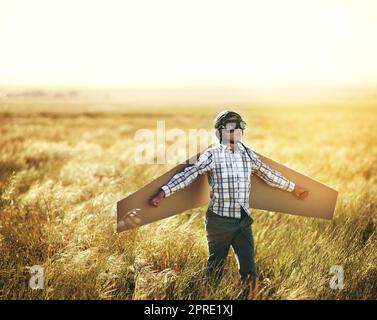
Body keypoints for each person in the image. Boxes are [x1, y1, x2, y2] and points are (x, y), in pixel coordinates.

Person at [149, 110, 309, 298]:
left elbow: (268, 174)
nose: (238, 130)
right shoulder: (212, 155)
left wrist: (293, 188)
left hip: (243, 221)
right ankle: (209, 299)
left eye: (240, 126)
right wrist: (163, 193)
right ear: (221, 131)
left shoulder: (247, 155)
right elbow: (189, 175)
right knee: (215, 268)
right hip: (219, 222)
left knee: (249, 271)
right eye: (232, 127)